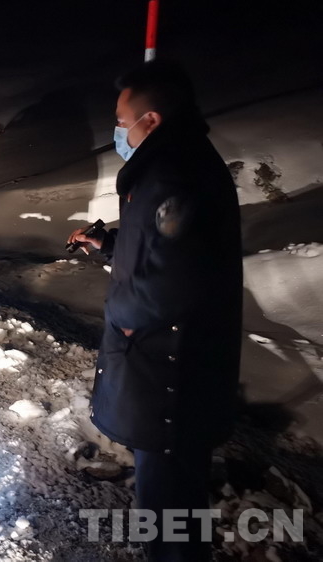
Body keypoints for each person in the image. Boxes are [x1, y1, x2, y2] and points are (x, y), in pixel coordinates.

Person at [68, 60, 242, 561]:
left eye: (122, 122)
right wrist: (109, 246)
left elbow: (172, 281)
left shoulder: (172, 176)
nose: (118, 132)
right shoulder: (171, 166)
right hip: (165, 360)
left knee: (169, 506)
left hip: (169, 365)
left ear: (151, 120)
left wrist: (122, 316)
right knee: (167, 493)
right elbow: (163, 249)